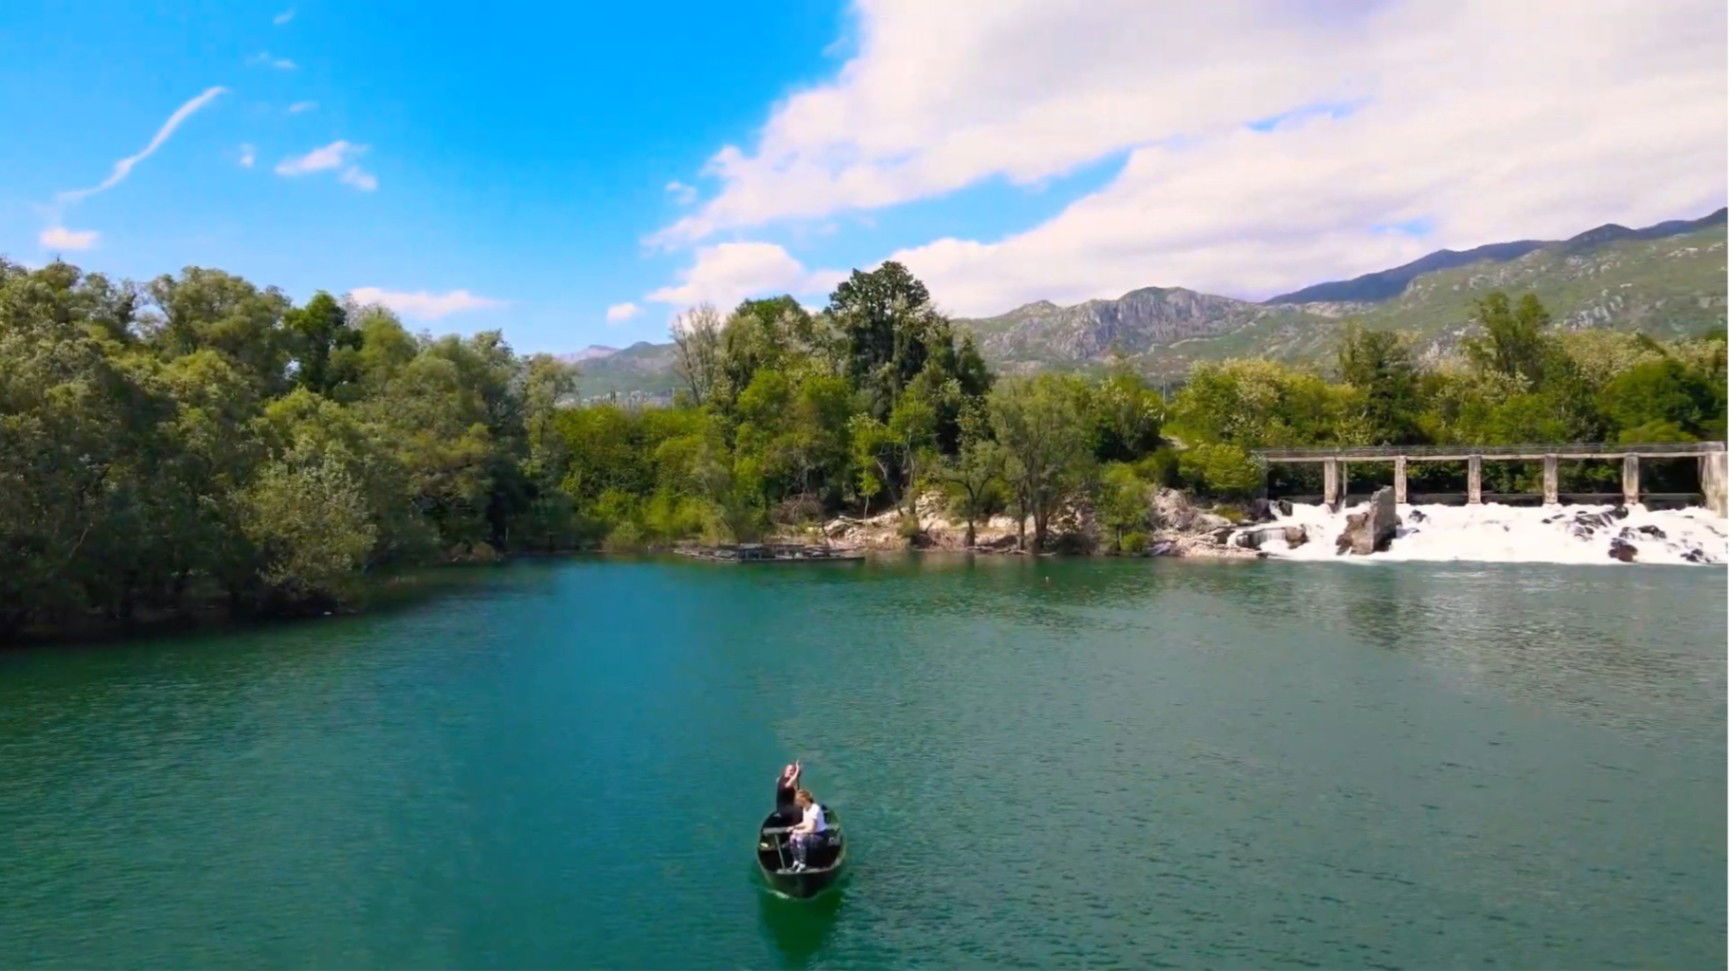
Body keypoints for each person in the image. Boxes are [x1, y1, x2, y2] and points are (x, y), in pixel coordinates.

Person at [786, 788, 827, 871]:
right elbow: (805, 823)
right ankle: (796, 861)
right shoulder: (805, 808)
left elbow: (812, 829)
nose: (796, 803)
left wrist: (799, 831)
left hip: (819, 835)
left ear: (803, 800)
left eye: (798, 800)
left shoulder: (815, 809)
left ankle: (803, 864)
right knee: (792, 837)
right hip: (811, 833)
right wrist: (794, 827)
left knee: (800, 838)